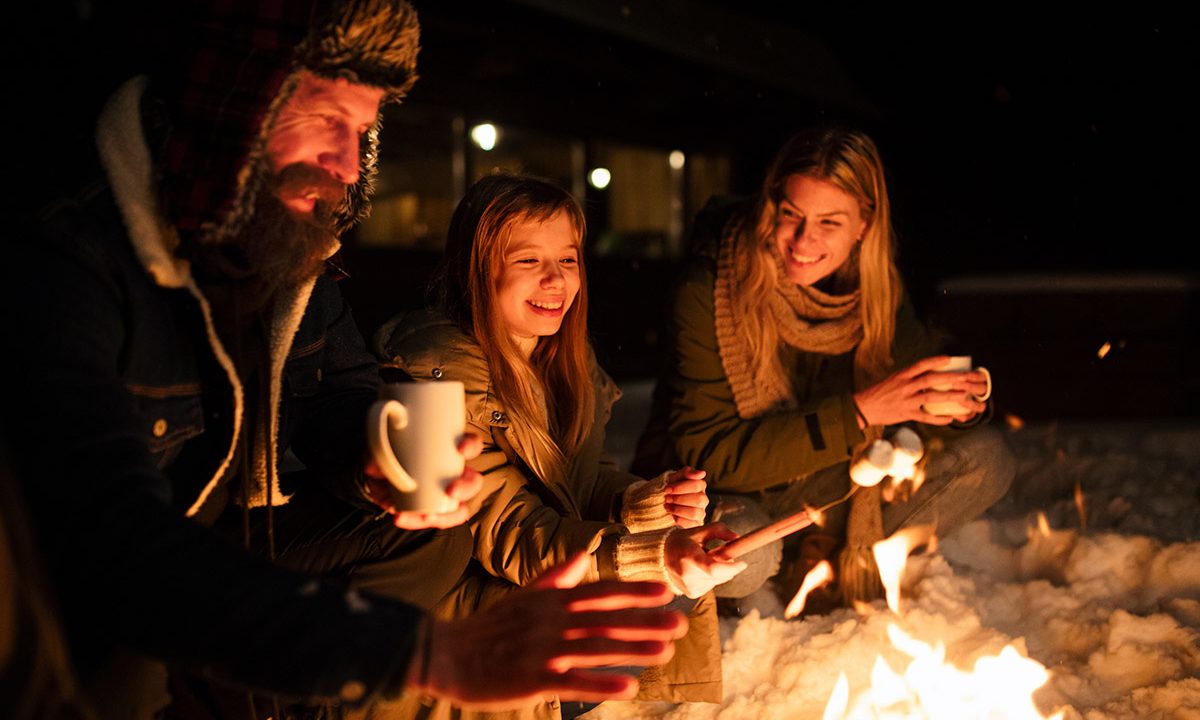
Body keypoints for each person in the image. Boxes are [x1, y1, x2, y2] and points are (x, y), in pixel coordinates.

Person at [0, 2, 687, 717]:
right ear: (241, 107)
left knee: (432, 529)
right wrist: (420, 652)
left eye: (362, 132)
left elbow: (341, 394)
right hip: (74, 585)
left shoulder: (287, 261)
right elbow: (108, 536)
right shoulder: (72, 266)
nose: (348, 163)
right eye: (327, 119)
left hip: (233, 537)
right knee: (127, 677)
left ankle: (305, 692)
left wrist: (381, 451)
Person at [375, 174, 747, 718]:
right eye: (529, 261)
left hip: (528, 579)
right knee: (650, 590)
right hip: (457, 619)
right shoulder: (434, 381)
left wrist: (643, 503)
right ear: (476, 270)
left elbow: (581, 475)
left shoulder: (561, 362)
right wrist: (647, 557)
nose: (555, 280)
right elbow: (510, 531)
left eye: (568, 261)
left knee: (675, 579)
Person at [634, 127, 1015, 605]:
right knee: (743, 556)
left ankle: (821, 564)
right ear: (771, 205)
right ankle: (784, 574)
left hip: (821, 483)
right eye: (791, 214)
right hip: (720, 492)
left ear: (863, 224)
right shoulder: (708, 289)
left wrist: (959, 405)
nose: (802, 240)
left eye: (829, 223)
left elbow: (916, 394)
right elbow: (709, 452)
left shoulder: (876, 293)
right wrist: (857, 414)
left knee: (985, 459)